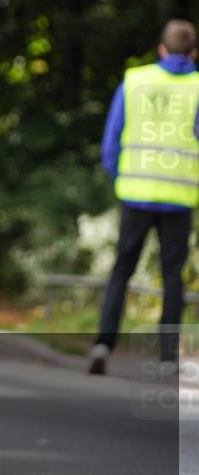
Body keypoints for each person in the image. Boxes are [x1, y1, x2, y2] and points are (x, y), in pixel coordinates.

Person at [89, 19, 199, 375]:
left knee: (121, 270)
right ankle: (167, 358)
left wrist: (120, 177)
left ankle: (104, 344)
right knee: (172, 278)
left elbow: (111, 140)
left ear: (161, 49)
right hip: (180, 198)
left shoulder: (135, 81)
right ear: (194, 53)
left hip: (135, 194)